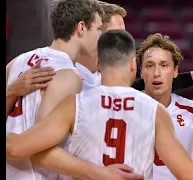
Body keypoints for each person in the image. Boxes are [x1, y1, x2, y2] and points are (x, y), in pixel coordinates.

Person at [6, 29, 193, 180]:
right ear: (134, 66)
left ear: (98, 65)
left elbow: (17, 148)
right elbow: (186, 172)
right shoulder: (154, 111)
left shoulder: (75, 104)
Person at [6, 0, 140, 179]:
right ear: (82, 28)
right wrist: (100, 173)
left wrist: (11, 92)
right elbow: (38, 149)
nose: (102, 38)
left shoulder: (18, 61)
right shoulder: (68, 75)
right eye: (100, 29)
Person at [136, 33, 193, 180]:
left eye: (164, 65)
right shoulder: (126, 108)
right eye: (149, 66)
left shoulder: (191, 111)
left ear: (175, 71)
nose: (157, 73)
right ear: (141, 72)